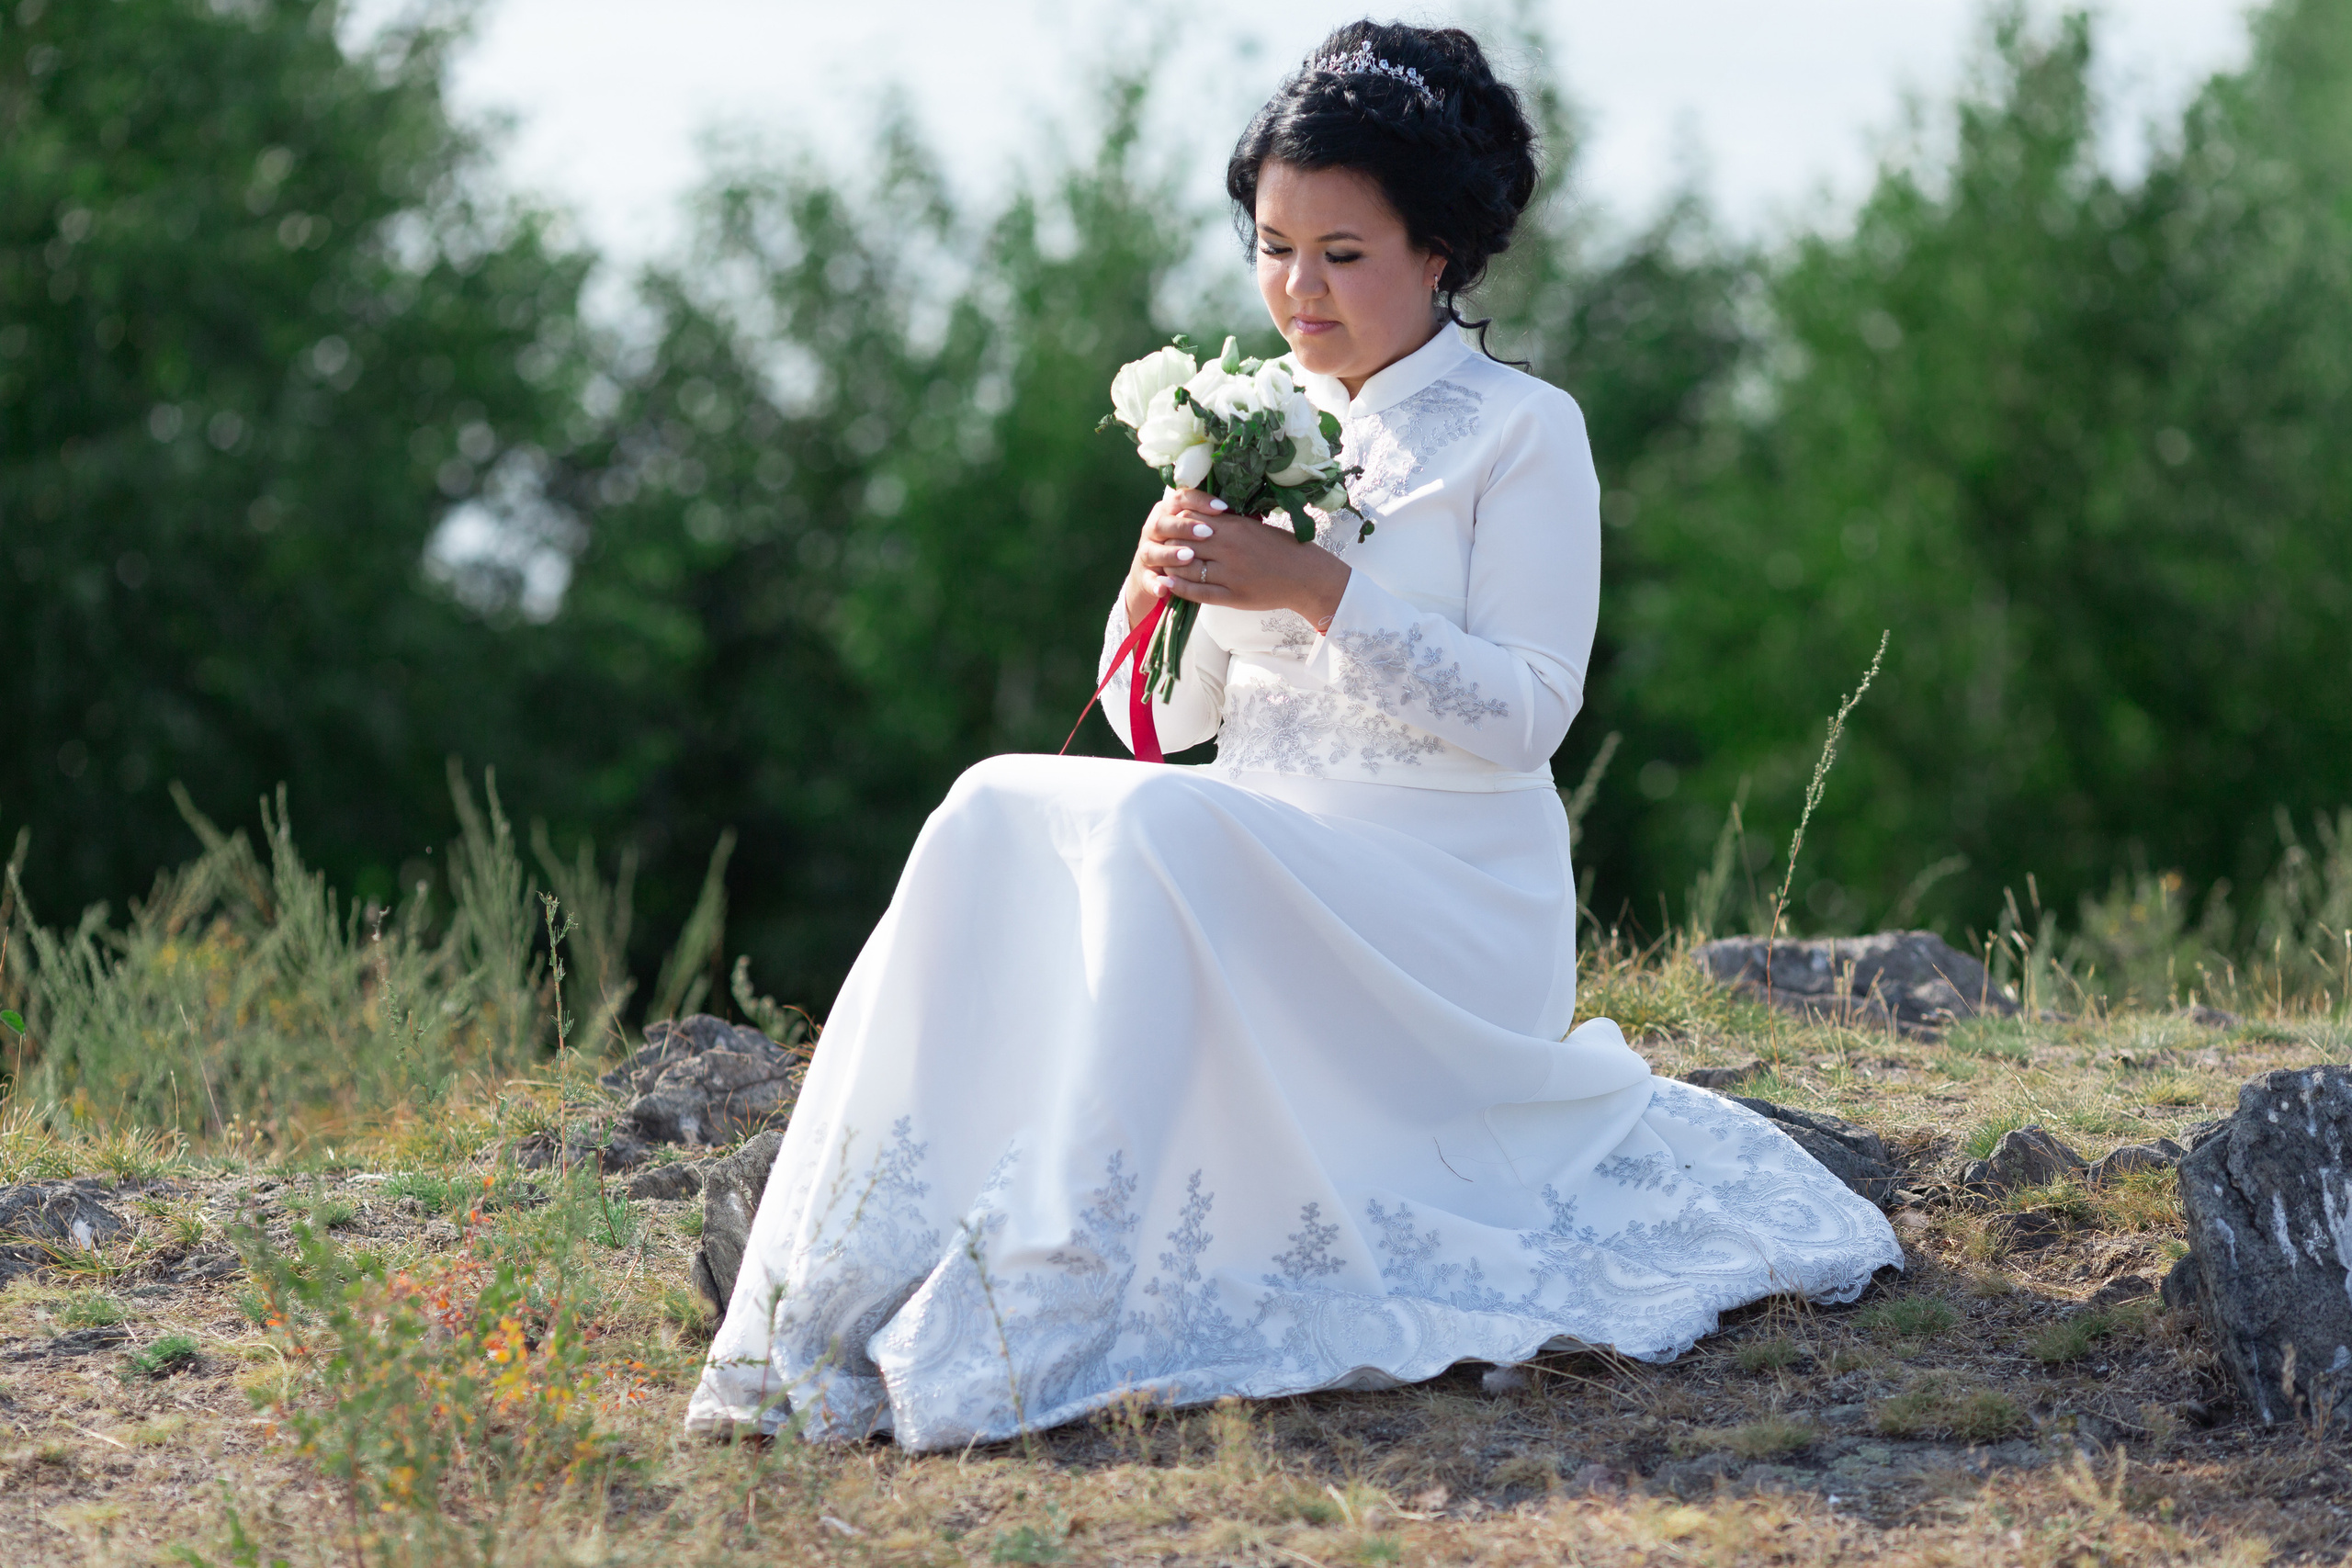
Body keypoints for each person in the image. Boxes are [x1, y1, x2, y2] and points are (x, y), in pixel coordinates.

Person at [687, 20, 1902, 1452]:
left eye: (1342, 252)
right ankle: (843, 1279)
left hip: (1444, 896)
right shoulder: (1255, 418)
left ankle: (1059, 1282)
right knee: (995, 799)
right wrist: (1158, 581)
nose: (1296, 289)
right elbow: (1161, 727)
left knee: (1148, 831)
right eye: (1273, 247)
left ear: (1438, 251)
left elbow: (1527, 717)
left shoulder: (1522, 432)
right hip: (1249, 850)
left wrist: (1315, 589)